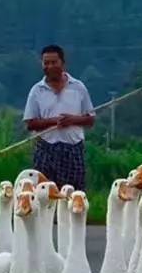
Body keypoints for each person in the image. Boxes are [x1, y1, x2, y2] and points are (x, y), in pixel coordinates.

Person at [22, 45, 95, 190]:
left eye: (53, 62)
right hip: (46, 149)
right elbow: (30, 124)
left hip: (73, 149)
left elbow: (90, 119)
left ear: (63, 63)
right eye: (46, 63)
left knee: (74, 194)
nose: (49, 66)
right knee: (45, 196)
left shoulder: (78, 87)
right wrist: (54, 121)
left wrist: (72, 120)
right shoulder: (37, 91)